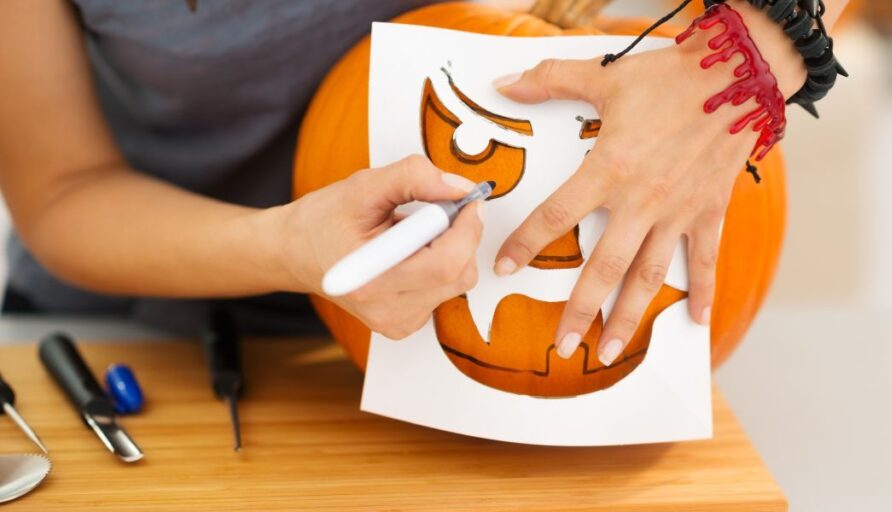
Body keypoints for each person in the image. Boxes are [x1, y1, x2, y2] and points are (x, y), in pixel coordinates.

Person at [0, 0, 846, 365]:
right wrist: (285, 247)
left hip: (462, 333)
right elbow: (64, 188)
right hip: (149, 330)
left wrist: (746, 58)